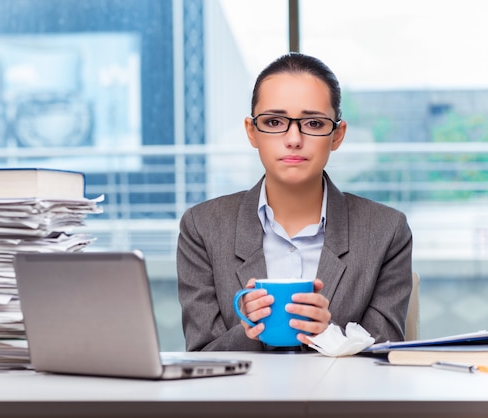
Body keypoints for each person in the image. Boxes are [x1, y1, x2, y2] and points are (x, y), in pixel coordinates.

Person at [177, 52, 413, 351]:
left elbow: (386, 357)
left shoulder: (386, 230)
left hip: (343, 397)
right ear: (252, 132)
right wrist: (248, 331)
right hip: (239, 398)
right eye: (274, 121)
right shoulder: (203, 227)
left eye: (313, 123)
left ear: (337, 135)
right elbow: (201, 354)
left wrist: (327, 334)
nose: (293, 139)